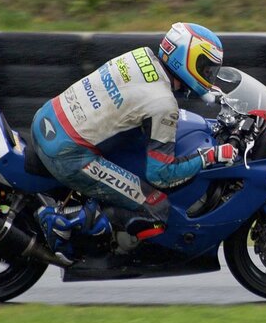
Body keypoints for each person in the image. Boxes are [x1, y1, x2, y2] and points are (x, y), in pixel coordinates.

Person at [32, 22, 237, 263]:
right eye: (205, 68)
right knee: (156, 206)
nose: (208, 75)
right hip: (69, 153)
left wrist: (208, 93)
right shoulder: (163, 105)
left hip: (48, 118)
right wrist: (209, 157)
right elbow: (162, 174)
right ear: (185, 59)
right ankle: (62, 224)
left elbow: (144, 95)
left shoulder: (141, 56)